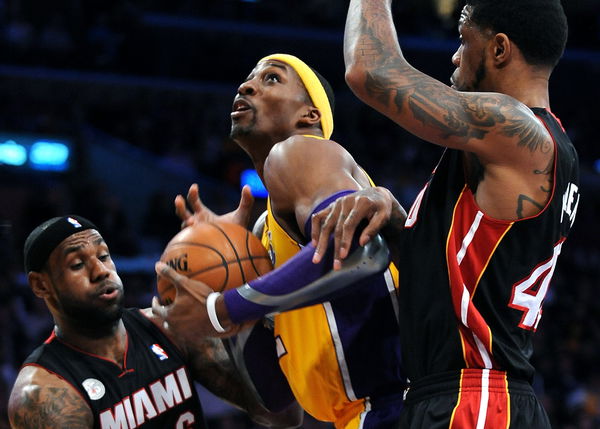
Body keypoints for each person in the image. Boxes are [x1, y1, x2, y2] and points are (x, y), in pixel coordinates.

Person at [310, 0, 580, 428]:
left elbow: (369, 72)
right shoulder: (531, 147)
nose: (454, 56)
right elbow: (460, 274)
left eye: (462, 40)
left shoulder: (516, 129)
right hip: (465, 396)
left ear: (499, 49)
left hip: (474, 401)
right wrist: (393, 213)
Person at [153, 53, 407, 429]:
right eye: (249, 78)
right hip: (362, 416)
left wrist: (221, 309)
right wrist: (236, 262)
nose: (246, 86)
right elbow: (279, 402)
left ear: (309, 116)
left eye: (271, 79)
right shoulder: (266, 231)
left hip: (401, 402)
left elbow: (361, 255)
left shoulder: (300, 150)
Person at [8, 215, 302, 429]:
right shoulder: (44, 393)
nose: (101, 271)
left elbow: (283, 415)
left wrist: (238, 311)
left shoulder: (170, 329)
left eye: (104, 256)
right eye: (77, 264)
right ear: (40, 286)